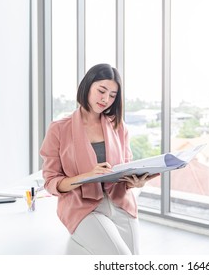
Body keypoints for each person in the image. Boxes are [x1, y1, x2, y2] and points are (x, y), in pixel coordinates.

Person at [40, 63, 159, 255]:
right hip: (82, 206)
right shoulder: (59, 129)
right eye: (101, 91)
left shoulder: (119, 127)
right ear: (87, 86)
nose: (106, 99)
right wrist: (87, 176)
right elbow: (51, 181)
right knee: (121, 257)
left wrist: (135, 182)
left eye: (112, 95)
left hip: (120, 201)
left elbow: (124, 168)